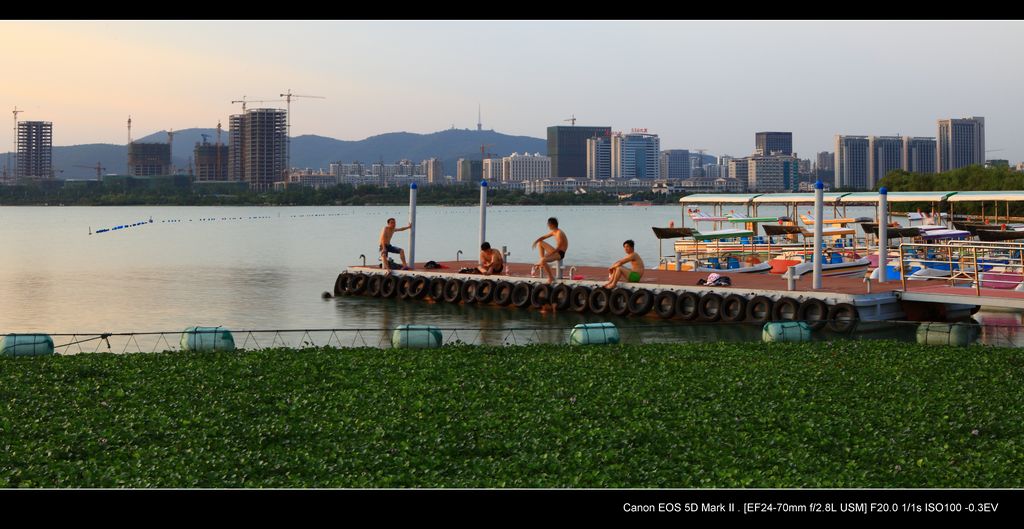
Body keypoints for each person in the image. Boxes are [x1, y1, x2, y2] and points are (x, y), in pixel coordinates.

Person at [532, 217, 568, 284]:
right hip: (556, 251)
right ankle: (541, 261)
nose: (547, 226)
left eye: (548, 224)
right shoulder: (554, 232)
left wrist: (549, 254)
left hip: (560, 253)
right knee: (540, 243)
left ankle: (551, 277)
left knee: (543, 260)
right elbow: (544, 237)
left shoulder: (559, 233)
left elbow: (559, 248)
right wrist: (535, 242)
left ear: (552, 225)